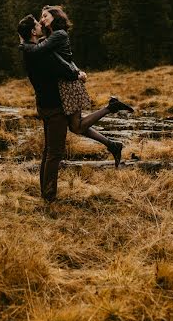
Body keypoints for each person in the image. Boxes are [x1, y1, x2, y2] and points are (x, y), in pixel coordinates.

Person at [18, 14, 127, 203]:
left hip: (48, 104)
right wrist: (77, 74)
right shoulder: (38, 51)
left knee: (52, 148)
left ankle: (46, 193)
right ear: (32, 32)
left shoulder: (37, 47)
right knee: (55, 152)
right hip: (54, 106)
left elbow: (61, 59)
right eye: (37, 23)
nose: (40, 23)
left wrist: (24, 44)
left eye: (43, 18)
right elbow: (62, 67)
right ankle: (49, 197)